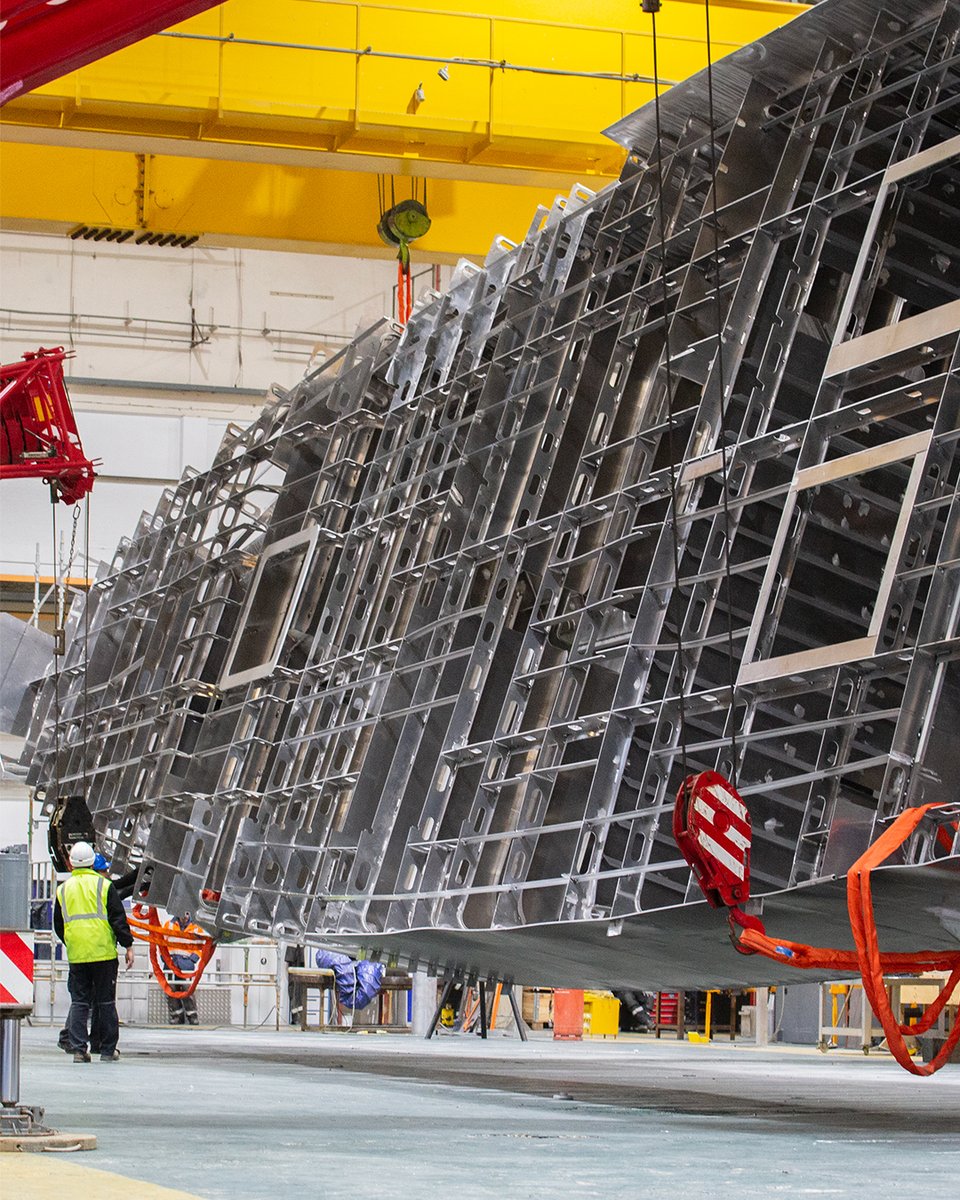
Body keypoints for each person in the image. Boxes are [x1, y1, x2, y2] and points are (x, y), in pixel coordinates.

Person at [53, 840, 135, 1062]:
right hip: (104, 954)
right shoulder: (104, 886)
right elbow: (118, 919)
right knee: (105, 1002)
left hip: (78, 955)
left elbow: (59, 926)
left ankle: (79, 1050)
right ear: (92, 863)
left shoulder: (63, 890)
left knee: (79, 1002)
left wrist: (73, 941)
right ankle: (107, 1050)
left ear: (71, 864)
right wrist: (127, 945)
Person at [164, 917, 201, 1025]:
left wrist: (192, 960)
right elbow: (161, 943)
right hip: (171, 963)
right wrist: (165, 958)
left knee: (187, 990)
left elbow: (200, 946)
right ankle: (176, 1017)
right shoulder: (169, 925)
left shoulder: (196, 927)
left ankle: (192, 1017)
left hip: (186, 965)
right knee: (171, 990)